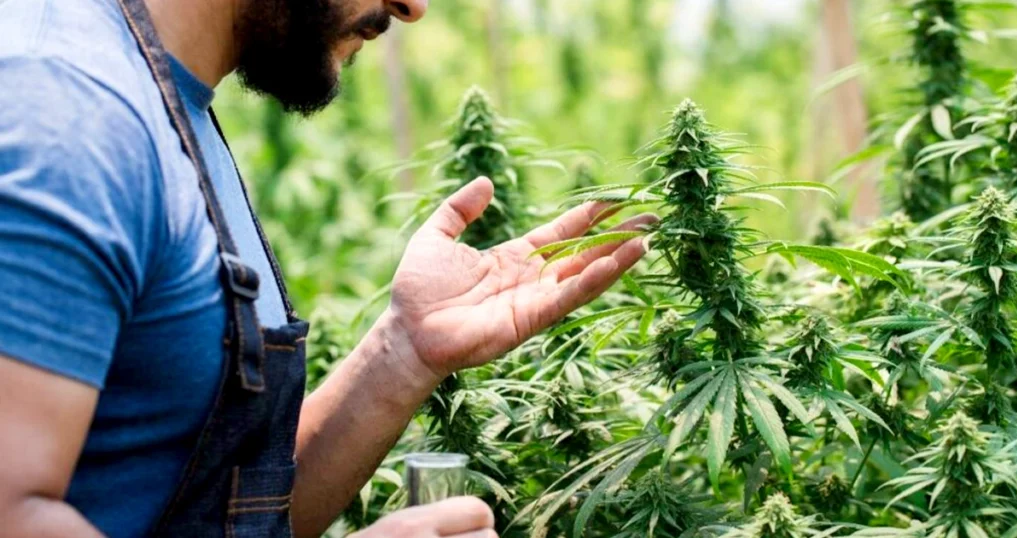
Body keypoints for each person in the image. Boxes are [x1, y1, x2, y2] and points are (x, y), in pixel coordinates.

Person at [0, 0, 655, 536]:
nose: (412, 7)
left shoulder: (168, 98)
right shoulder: (66, 112)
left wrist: (403, 353)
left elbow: (225, 510)